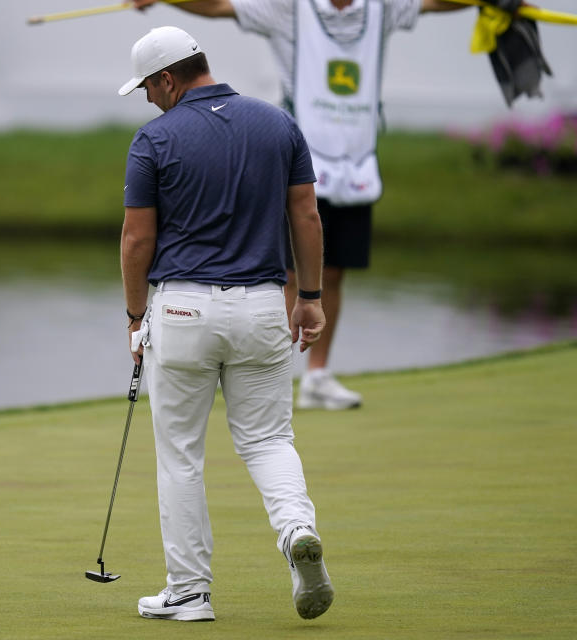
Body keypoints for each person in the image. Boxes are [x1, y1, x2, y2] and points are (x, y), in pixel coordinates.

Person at [132, 0, 468, 410]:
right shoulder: (288, 8)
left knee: (335, 271)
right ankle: (277, 369)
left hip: (356, 160)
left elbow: (436, 2)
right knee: (292, 272)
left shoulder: (381, 6)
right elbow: (220, 6)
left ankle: (316, 374)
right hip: (297, 159)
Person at [119, 25, 333, 622]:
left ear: (168, 77)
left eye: (147, 86)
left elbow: (138, 239)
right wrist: (310, 297)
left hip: (182, 310)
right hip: (263, 306)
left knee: (181, 455)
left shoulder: (153, 139)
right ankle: (295, 534)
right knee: (268, 440)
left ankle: (189, 592)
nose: (146, 99)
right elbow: (307, 215)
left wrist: (136, 318)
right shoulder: (279, 124)